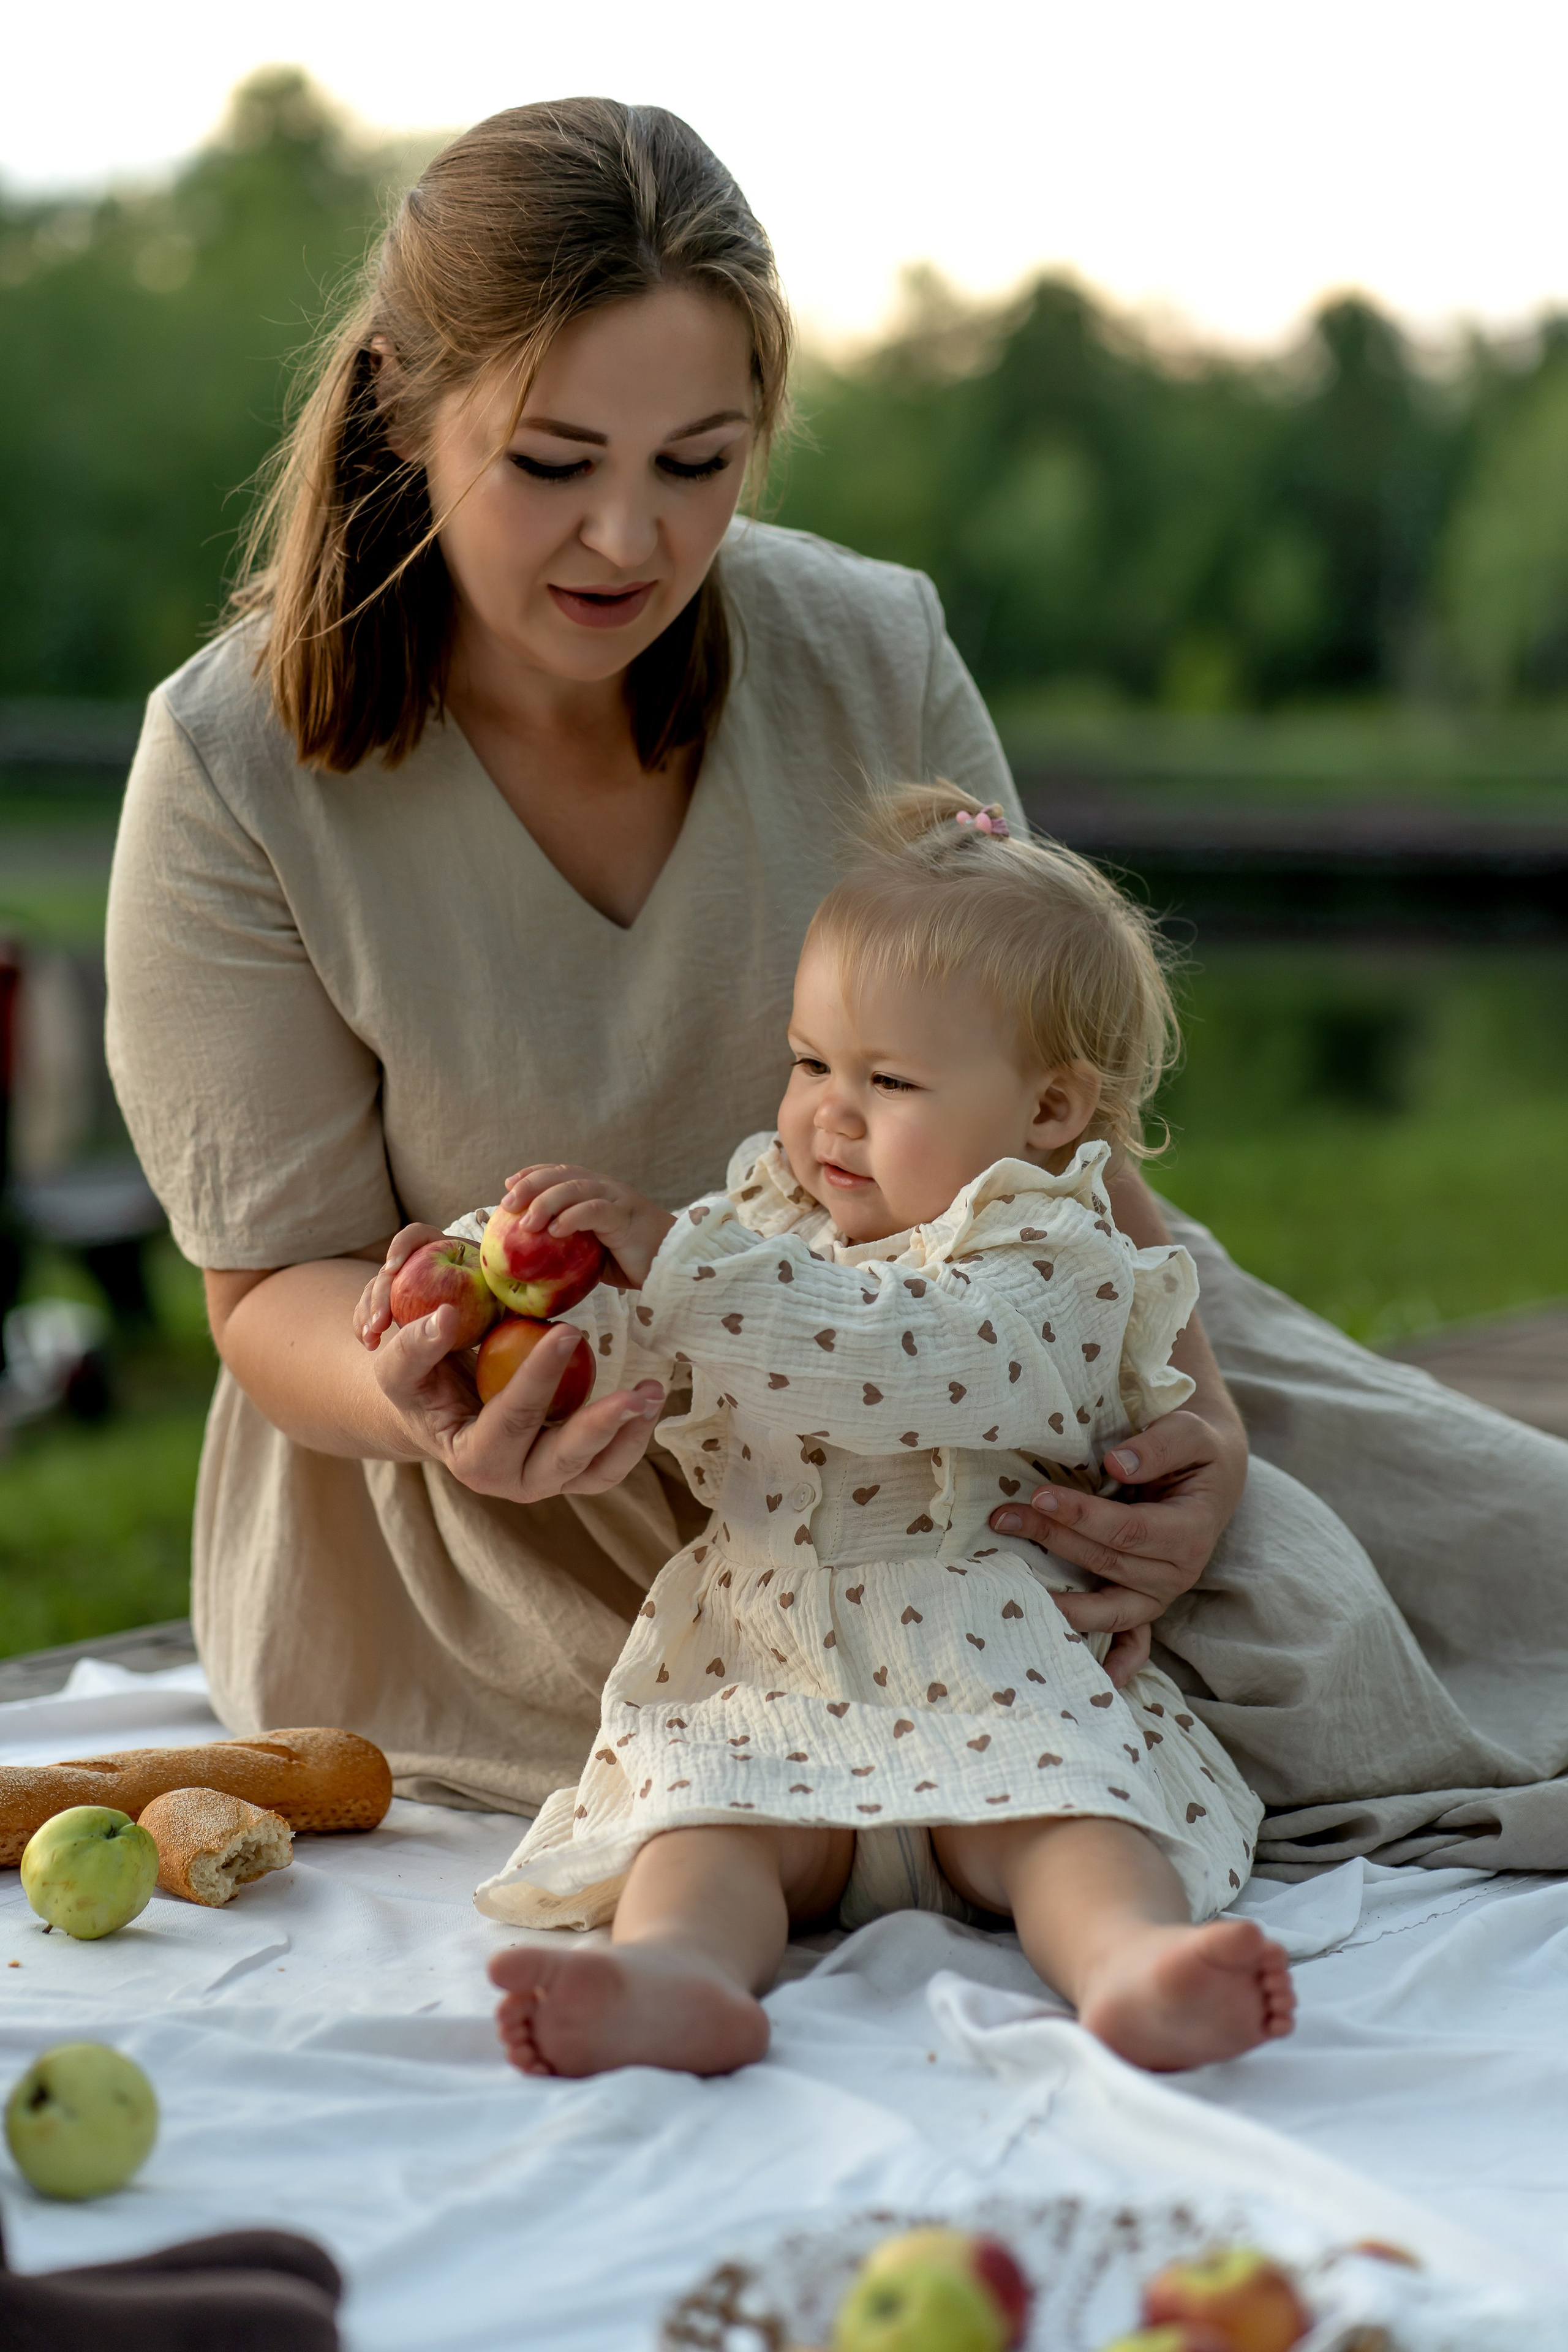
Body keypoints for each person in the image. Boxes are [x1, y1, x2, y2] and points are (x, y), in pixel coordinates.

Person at [107, 98, 1568, 1878]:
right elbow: (269, 1286)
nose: (629, 540)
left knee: (1499, 1570)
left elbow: (1061, 1125)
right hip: (548, 1476)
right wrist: (430, 1401)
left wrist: (1198, 1413)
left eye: (697, 462)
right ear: (402, 408)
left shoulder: (873, 648)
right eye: (553, 464)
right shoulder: (232, 763)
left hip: (994, 1351)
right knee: (936, 1719)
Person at [364, 785, 1294, 2075]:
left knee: (1074, 1824)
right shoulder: (761, 1227)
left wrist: (683, 1270)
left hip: (990, 1675)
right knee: (700, 1823)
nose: (829, 1113)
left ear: (1047, 1111)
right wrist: (513, 1307)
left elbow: (898, 1356)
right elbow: (666, 1345)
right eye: (810, 1063)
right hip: (772, 1670)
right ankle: (674, 1980)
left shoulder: (1056, 1264)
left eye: (887, 1080)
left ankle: (1133, 1965)